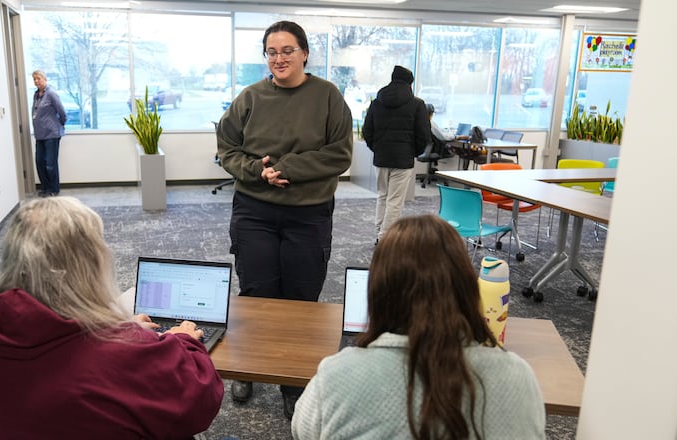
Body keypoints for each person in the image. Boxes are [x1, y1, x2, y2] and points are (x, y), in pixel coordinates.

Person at [0, 197, 224, 439]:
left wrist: (120, 331)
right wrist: (184, 341)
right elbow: (200, 405)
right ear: (89, 265)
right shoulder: (126, 354)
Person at [292, 215, 546, 440]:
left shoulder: (337, 376)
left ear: (378, 291)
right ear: (467, 288)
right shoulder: (518, 376)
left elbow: (302, 430)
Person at [215, 20, 353, 420]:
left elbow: (339, 154)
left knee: (301, 299)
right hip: (255, 210)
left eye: (287, 50)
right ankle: (249, 367)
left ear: (305, 53)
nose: (279, 58)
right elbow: (227, 148)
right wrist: (259, 171)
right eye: (272, 52)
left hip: (308, 213)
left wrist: (288, 167)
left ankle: (293, 380)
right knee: (256, 293)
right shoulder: (250, 98)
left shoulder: (327, 97)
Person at [361, 65, 430, 243]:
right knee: (395, 200)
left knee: (383, 196)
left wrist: (377, 148)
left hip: (381, 158)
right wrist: (413, 152)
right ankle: (386, 239)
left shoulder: (377, 102)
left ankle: (379, 232)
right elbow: (423, 134)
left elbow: (367, 131)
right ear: (409, 84)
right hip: (403, 159)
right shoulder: (417, 104)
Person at [31, 70, 66, 197]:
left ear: (45, 79)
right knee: (40, 162)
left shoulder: (51, 94)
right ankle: (45, 187)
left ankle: (53, 189)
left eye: (38, 78)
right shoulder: (36, 95)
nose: (36, 81)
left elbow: (62, 112)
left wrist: (61, 124)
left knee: (50, 163)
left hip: (52, 134)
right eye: (34, 79)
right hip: (40, 135)